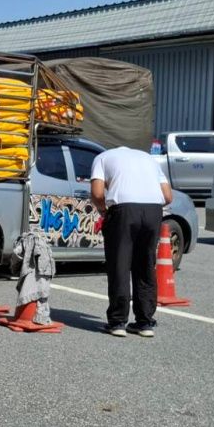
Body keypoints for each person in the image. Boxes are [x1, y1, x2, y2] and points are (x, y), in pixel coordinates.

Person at [90, 145, 173, 338]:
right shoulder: (149, 159)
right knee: (145, 264)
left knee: (119, 263)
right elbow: (168, 196)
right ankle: (145, 322)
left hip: (124, 209)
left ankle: (118, 321)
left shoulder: (102, 158)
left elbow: (97, 193)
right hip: (153, 209)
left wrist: (104, 210)